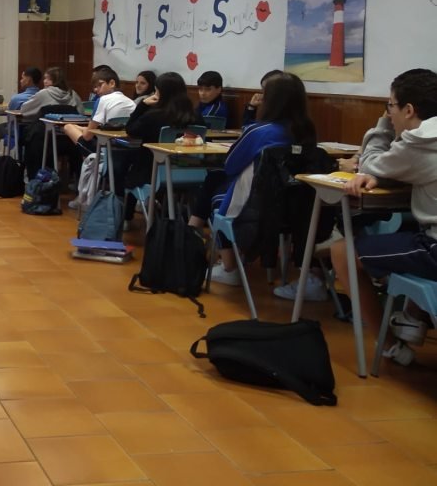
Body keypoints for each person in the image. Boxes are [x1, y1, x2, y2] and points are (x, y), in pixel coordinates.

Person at [330, 68, 437, 366]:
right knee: (410, 232)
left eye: (391, 106)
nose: (390, 113)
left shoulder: (420, 140)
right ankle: (412, 318)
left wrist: (381, 126)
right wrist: (382, 174)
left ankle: (390, 346)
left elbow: (370, 164)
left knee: (342, 252)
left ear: (408, 110)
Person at [186, 73, 318, 289]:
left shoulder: (259, 131)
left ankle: (229, 268)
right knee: (217, 183)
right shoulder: (307, 133)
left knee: (217, 200)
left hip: (257, 206)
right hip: (295, 211)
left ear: (271, 100)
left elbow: (231, 165)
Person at [19, 67, 86, 178]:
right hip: (69, 141)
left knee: (29, 137)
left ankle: (34, 179)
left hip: (45, 141)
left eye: (47, 79)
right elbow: (81, 113)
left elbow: (24, 110)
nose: (44, 81)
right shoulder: (73, 94)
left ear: (55, 80)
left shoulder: (44, 93)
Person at [63, 67, 136, 147]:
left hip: (107, 148)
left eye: (100, 85)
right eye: (95, 86)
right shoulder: (131, 102)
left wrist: (77, 128)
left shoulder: (103, 100)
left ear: (112, 83)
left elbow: (87, 136)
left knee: (68, 127)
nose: (95, 89)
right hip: (129, 148)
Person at [0, 67, 41, 151]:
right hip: (37, 131)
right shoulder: (43, 97)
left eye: (22, 78)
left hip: (19, 131)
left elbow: (9, 115)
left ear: (28, 80)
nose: (20, 81)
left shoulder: (17, 98)